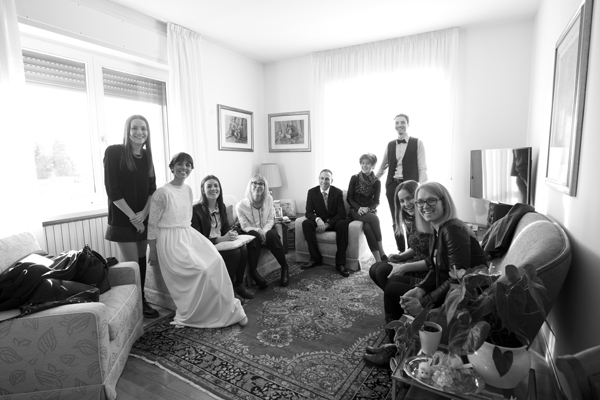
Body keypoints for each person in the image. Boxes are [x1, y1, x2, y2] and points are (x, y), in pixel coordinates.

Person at [364, 182, 487, 368]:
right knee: (394, 287)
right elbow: (436, 269)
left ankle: (396, 351)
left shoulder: (453, 229)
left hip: (463, 300)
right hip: (447, 290)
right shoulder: (439, 228)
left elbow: (457, 280)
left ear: (444, 202)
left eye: (431, 200)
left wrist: (424, 302)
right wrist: (420, 289)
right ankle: (396, 345)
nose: (424, 206)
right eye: (420, 202)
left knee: (392, 290)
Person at [147, 153, 247, 328]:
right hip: (170, 241)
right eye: (180, 164)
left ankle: (227, 307)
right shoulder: (162, 193)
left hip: (188, 235)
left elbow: (186, 220)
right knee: (202, 270)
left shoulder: (188, 190)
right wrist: (153, 251)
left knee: (216, 261)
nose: (184, 168)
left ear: (191, 169)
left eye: (188, 165)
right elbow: (152, 224)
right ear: (172, 167)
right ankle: (202, 313)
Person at [103, 114, 159, 319]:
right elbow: (112, 189)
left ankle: (140, 300)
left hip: (142, 216)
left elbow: (152, 190)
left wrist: (143, 214)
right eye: (134, 128)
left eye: (143, 128)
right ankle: (135, 304)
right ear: (127, 131)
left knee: (141, 260)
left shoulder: (147, 157)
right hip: (122, 219)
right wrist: (133, 217)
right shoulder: (114, 152)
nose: (139, 132)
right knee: (132, 264)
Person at [191, 175, 254, 300]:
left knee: (243, 248)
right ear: (203, 190)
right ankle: (227, 291)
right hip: (207, 247)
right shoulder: (196, 210)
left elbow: (225, 228)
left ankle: (238, 285)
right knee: (235, 253)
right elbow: (198, 238)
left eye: (216, 186)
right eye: (209, 186)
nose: (213, 189)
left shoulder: (221, 206)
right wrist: (220, 239)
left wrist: (231, 233)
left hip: (222, 243)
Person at [375, 113, 428, 252]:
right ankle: (401, 251)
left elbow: (422, 167)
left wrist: (422, 187)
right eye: (397, 123)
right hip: (392, 186)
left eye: (403, 122)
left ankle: (412, 250)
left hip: (410, 187)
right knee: (396, 219)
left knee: (412, 218)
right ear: (394, 125)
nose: (400, 125)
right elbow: (383, 165)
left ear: (408, 124)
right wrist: (373, 179)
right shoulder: (390, 144)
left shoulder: (417, 142)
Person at [368, 180, 430, 291]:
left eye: (409, 198)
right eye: (402, 201)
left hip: (427, 269)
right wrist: (402, 256)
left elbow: (434, 260)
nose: (406, 204)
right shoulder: (413, 220)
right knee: (374, 269)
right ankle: (396, 296)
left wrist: (404, 266)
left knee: (382, 272)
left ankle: (398, 295)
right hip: (416, 260)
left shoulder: (430, 220)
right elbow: (416, 247)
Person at [236, 174, 290, 287]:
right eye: (255, 183)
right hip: (253, 235)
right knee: (253, 235)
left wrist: (264, 232)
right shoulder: (240, 206)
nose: (258, 186)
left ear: (265, 187)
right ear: (250, 185)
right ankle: (253, 272)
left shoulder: (269, 199)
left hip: (267, 231)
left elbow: (270, 219)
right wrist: (258, 231)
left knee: (272, 235)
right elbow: (244, 226)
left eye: (261, 183)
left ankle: (284, 267)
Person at [300, 169, 351, 277]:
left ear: (331, 180)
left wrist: (327, 224)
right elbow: (308, 212)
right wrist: (318, 220)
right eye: (322, 178)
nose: (324, 181)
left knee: (343, 224)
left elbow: (341, 213)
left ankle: (340, 263)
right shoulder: (312, 192)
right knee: (306, 223)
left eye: (327, 179)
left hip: (333, 222)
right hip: (320, 221)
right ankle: (315, 258)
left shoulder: (337, 192)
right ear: (319, 179)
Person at [347, 153, 387, 262]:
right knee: (374, 218)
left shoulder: (376, 182)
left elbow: (376, 202)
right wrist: (359, 208)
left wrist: (367, 209)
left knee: (368, 227)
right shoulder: (354, 178)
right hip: (355, 211)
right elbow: (349, 198)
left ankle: (378, 260)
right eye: (362, 163)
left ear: (373, 165)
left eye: (368, 163)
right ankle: (382, 251)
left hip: (369, 210)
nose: (364, 165)